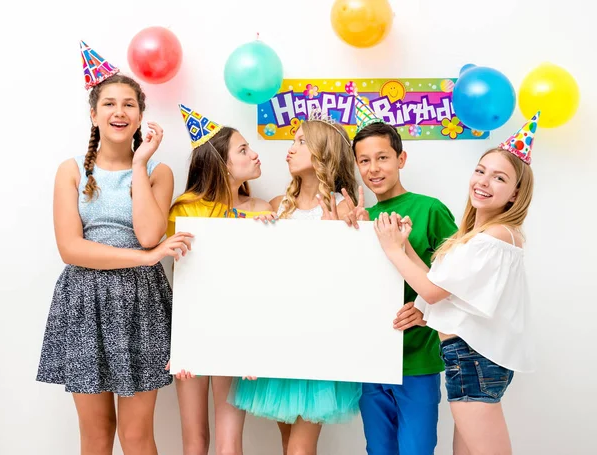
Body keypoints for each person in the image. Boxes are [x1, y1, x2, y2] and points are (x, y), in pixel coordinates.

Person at [36, 42, 192, 455]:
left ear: (140, 115)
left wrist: (139, 164)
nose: (119, 112)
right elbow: (71, 249)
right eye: (109, 104)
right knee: (96, 432)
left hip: (142, 303)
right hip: (84, 301)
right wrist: (144, 260)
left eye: (129, 104)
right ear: (94, 114)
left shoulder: (158, 172)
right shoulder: (71, 170)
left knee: (137, 435)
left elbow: (148, 234)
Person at [373, 113, 539, 455]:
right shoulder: (478, 236)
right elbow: (438, 284)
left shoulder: (495, 236)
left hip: (472, 360)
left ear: (515, 193)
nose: (484, 182)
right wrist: (405, 246)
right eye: (481, 171)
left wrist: (393, 250)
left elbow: (433, 291)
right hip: (469, 359)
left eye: (499, 178)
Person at [229, 110, 361, 455]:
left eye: (301, 142)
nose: (290, 149)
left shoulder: (345, 209)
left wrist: (341, 235)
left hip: (319, 336)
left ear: (323, 152)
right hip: (280, 335)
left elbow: (352, 277)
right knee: (288, 442)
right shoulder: (278, 206)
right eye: (292, 142)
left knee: (300, 448)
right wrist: (264, 231)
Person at [339, 83, 458, 455]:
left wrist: (423, 311)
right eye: (364, 160)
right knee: (379, 449)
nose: (374, 168)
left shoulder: (430, 209)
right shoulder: (357, 220)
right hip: (371, 358)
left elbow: (456, 282)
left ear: (400, 159)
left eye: (383, 158)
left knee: (417, 448)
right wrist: (344, 235)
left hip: (418, 360)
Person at [168, 106, 273, 455]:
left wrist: (268, 234)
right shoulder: (184, 209)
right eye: (243, 150)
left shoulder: (260, 209)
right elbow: (183, 278)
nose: (254, 154)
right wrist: (182, 342)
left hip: (237, 330)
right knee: (194, 440)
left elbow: (265, 282)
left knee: (230, 442)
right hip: (195, 329)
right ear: (221, 163)